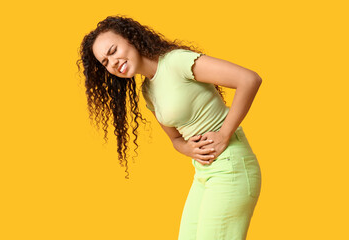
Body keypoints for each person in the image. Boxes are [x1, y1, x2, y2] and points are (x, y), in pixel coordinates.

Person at [77, 15, 262, 240]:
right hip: (204, 173)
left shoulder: (176, 62)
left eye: (113, 50)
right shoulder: (148, 91)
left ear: (130, 39)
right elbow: (175, 140)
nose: (112, 62)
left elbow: (249, 79)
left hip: (230, 166)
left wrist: (224, 134)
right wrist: (189, 149)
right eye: (105, 62)